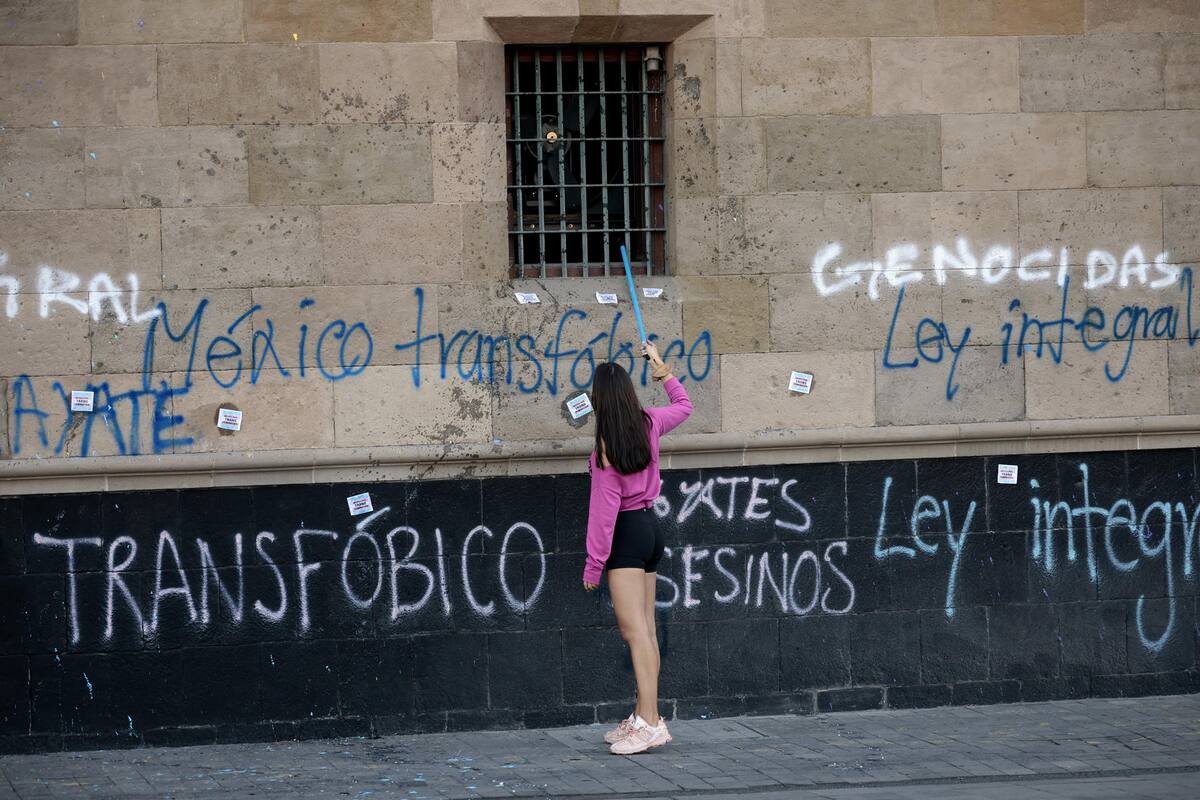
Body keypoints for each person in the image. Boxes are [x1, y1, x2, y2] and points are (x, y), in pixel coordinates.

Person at [582, 340, 693, 755]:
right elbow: (684, 405)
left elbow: (603, 513)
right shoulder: (650, 423)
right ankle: (644, 716)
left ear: (600, 401)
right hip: (650, 527)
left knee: (635, 633)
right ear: (628, 394)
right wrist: (663, 372)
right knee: (645, 631)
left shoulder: (606, 450)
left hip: (626, 536)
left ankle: (650, 722)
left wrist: (594, 565)